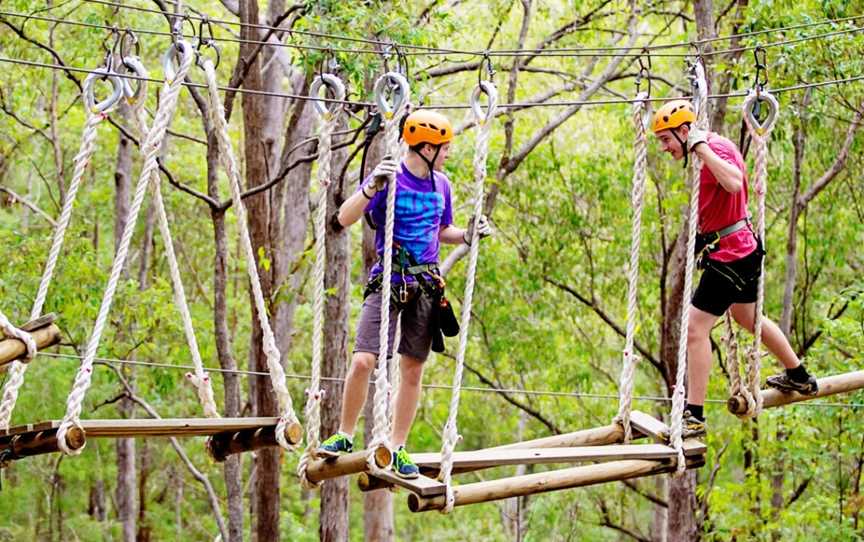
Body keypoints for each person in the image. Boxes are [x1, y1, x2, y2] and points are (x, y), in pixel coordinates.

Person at [318, 110, 492, 478]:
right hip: (389, 279)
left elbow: (442, 230)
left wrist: (468, 234)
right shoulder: (391, 179)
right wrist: (371, 187)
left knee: (412, 369)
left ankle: (397, 446)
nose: (447, 154)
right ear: (426, 147)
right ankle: (344, 434)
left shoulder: (441, 185)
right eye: (443, 148)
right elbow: (343, 219)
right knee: (364, 360)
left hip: (425, 284)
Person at [651, 100, 817, 438]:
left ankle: (694, 415)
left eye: (667, 139)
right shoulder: (708, 149)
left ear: (685, 132)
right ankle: (798, 374)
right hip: (739, 249)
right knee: (746, 317)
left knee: (696, 329)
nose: (665, 148)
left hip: (732, 255)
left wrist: (700, 149)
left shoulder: (711, 148)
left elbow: (733, 182)